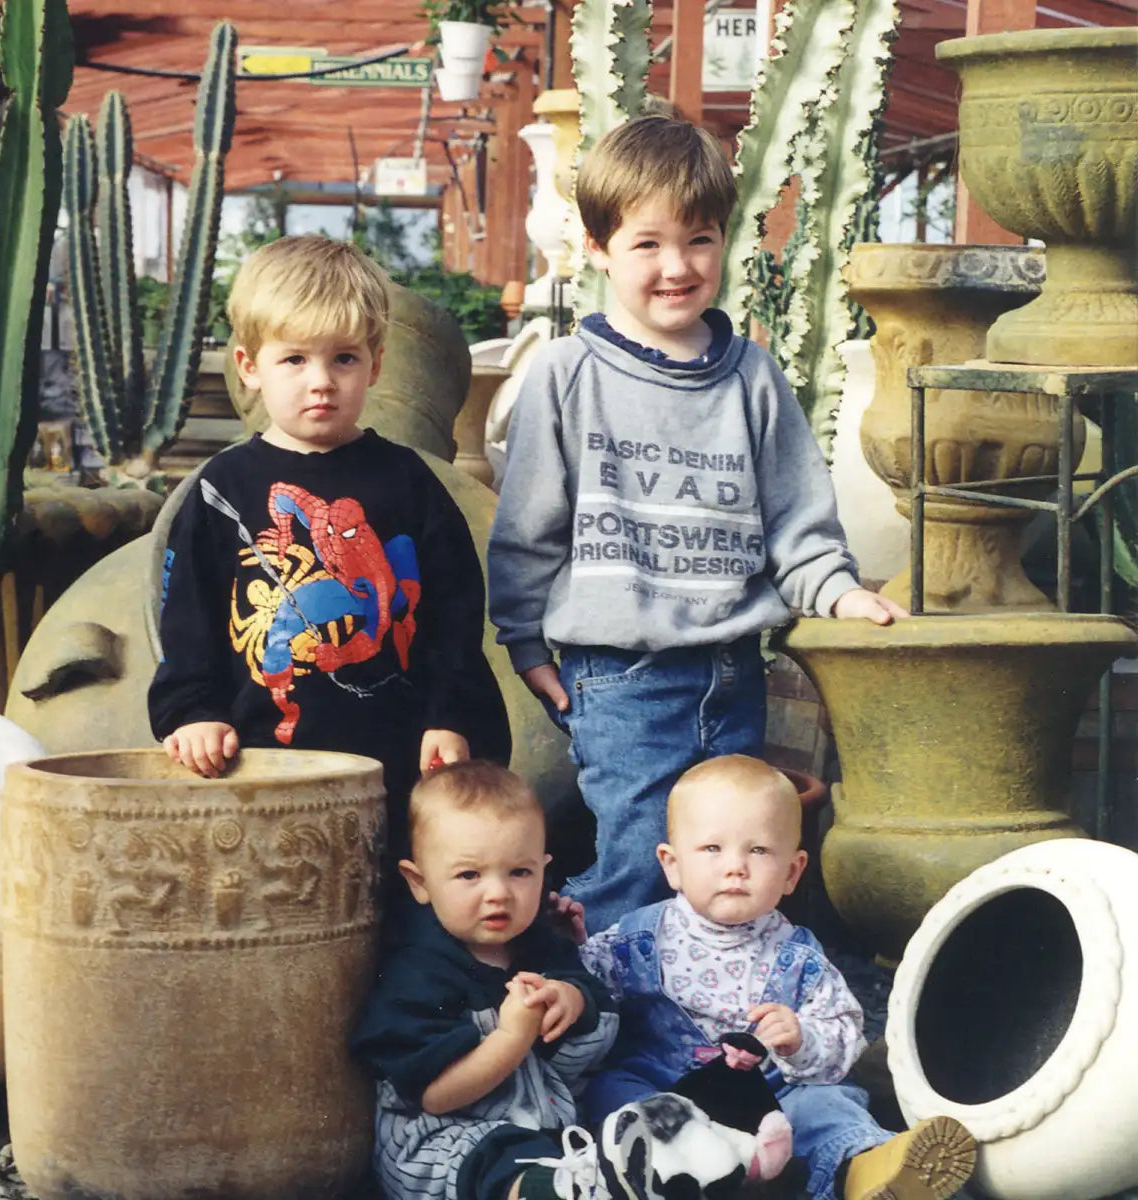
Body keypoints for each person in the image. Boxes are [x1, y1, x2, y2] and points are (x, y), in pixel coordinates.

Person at [487, 114, 908, 934]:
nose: (676, 267)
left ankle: (704, 1032)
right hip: (621, 677)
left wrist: (837, 591)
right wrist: (525, 642)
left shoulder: (751, 376)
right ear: (599, 247)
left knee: (728, 865)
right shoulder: (569, 373)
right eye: (647, 244)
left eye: (699, 240)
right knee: (641, 856)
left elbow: (796, 514)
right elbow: (528, 526)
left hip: (731, 669)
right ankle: (595, 1022)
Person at [149, 235, 509, 855]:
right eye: (295, 360)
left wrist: (449, 716)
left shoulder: (410, 482)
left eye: (343, 358)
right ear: (249, 367)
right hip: (257, 769)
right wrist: (189, 712)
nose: (321, 382)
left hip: (394, 763)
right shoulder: (219, 490)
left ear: (375, 364)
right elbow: (186, 617)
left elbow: (454, 616)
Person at [571, 756, 976, 1200]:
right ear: (671, 864)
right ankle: (672, 1173)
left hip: (771, 1101)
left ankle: (865, 1168)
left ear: (792, 872)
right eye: (712, 849)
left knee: (828, 1103)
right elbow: (586, 997)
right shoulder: (634, 940)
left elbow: (844, 1035)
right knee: (612, 1091)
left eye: (758, 850)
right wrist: (569, 951)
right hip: (663, 1090)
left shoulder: (798, 957)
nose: (736, 867)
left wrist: (801, 1039)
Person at [350, 760, 654, 1200]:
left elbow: (595, 1005)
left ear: (543, 871)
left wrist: (573, 997)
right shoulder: (416, 973)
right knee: (503, 1154)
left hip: (543, 1129)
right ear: (420, 882)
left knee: (616, 1109)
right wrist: (511, 1037)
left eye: (520, 872)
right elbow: (436, 1096)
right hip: (446, 1144)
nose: (498, 892)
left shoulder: (541, 945)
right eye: (469, 875)